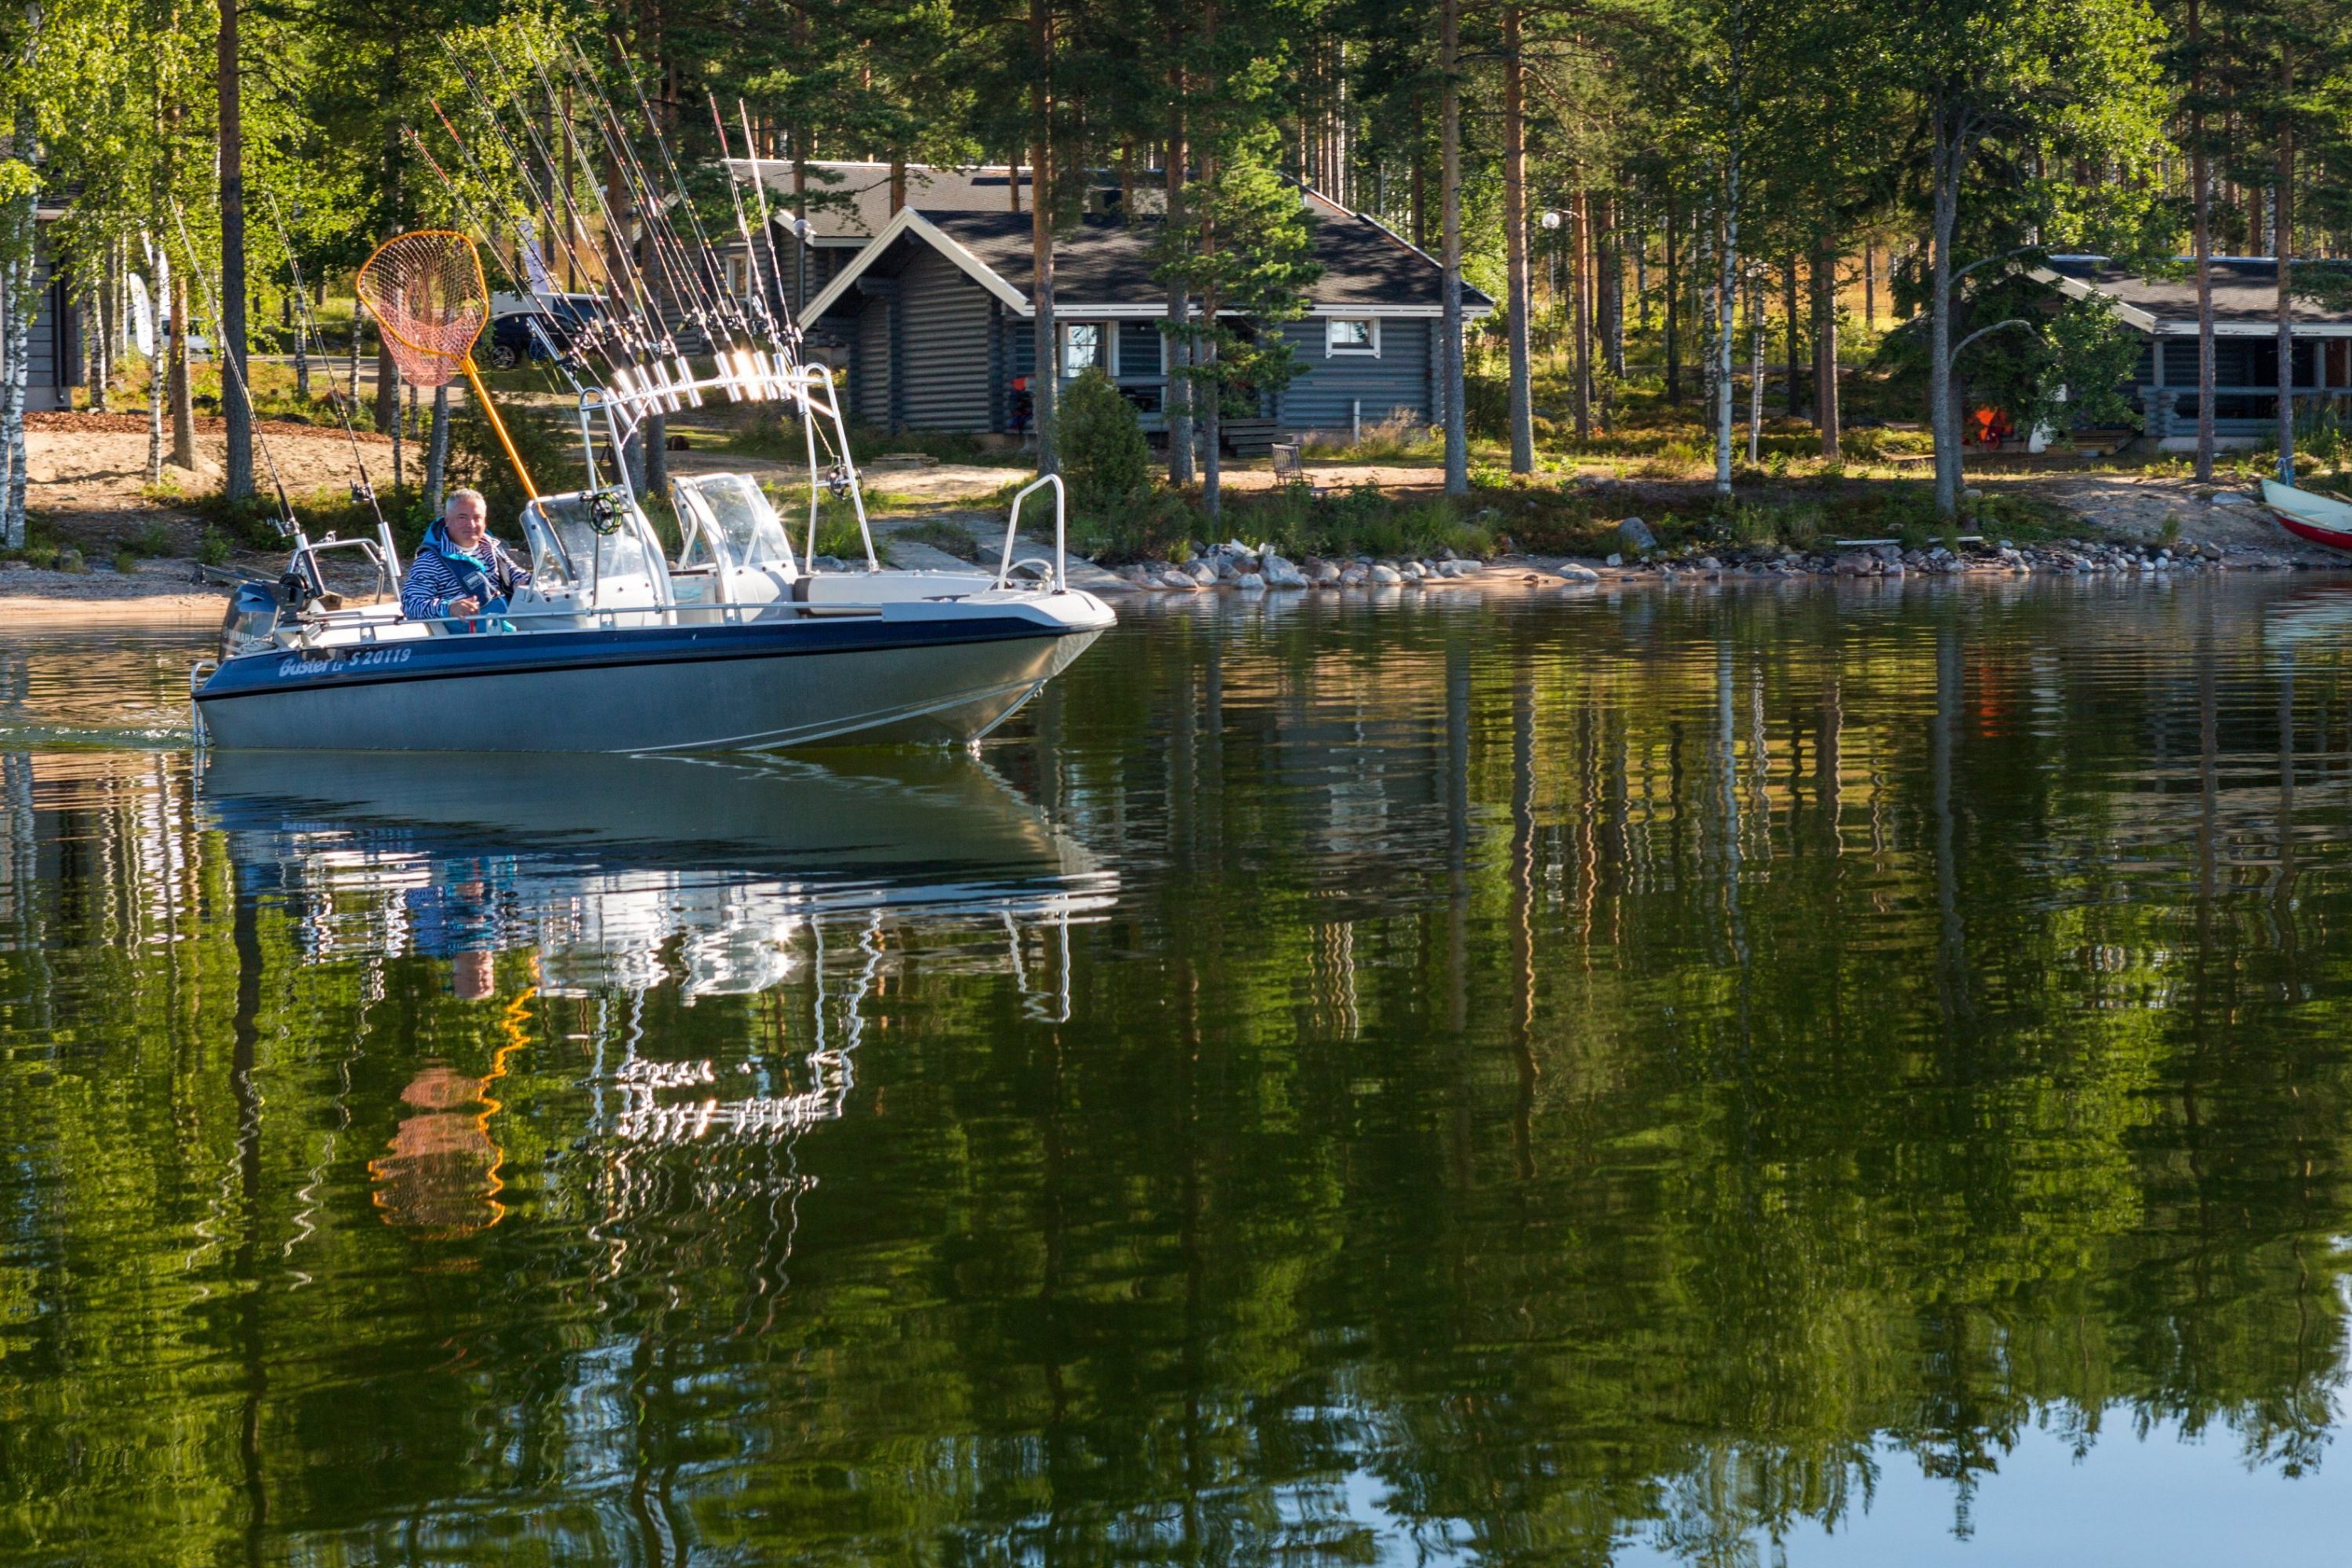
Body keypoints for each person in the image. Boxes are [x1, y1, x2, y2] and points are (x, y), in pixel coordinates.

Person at [401, 488, 532, 623]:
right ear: (447, 520)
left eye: (477, 518)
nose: (471, 524)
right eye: (462, 518)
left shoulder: (493, 549)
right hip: (470, 638)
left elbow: (516, 575)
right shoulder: (430, 561)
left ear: (485, 521)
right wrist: (450, 608)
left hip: (511, 627)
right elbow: (411, 605)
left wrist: (529, 582)